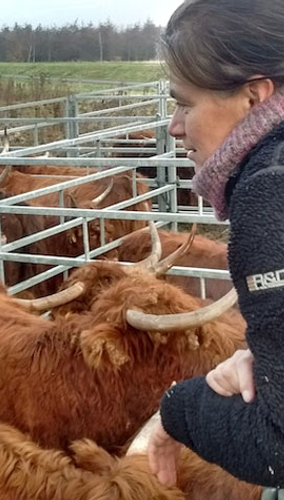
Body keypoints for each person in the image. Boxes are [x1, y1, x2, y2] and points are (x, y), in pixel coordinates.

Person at [147, 0, 284, 490]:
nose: (174, 126)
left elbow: (278, 442)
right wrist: (271, 358)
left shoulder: (269, 189)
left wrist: (176, 412)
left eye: (185, 103)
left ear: (254, 97)